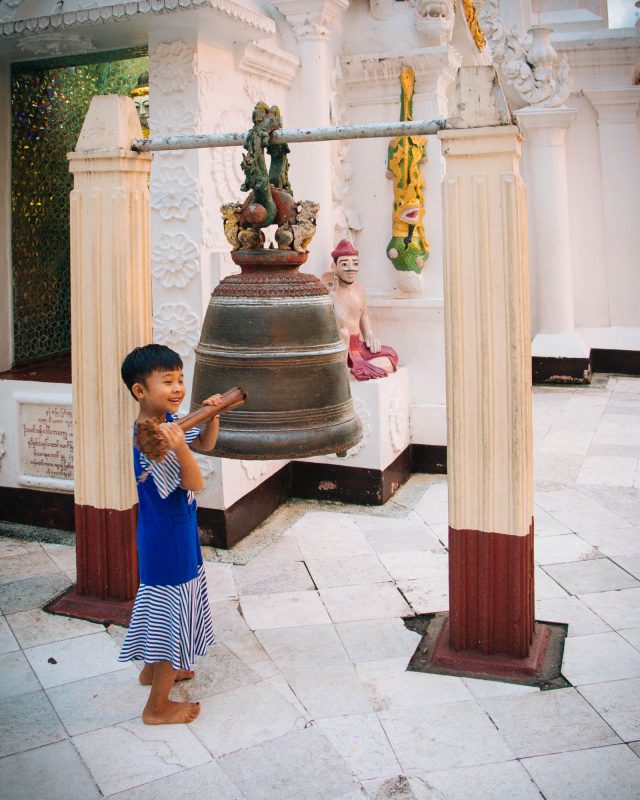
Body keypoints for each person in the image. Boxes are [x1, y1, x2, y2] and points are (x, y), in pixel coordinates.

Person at [118, 344, 221, 724]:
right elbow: (195, 482)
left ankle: (151, 672)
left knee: (167, 608)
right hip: (167, 542)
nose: (178, 387)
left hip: (173, 533)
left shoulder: (168, 421)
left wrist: (212, 416)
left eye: (180, 379)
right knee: (170, 618)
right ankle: (157, 707)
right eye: (167, 381)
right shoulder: (153, 444)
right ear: (139, 391)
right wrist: (180, 448)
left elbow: (206, 444)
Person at [322, 239, 399, 380]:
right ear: (334, 266)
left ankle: (359, 370)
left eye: (355, 264)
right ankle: (350, 369)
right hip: (343, 347)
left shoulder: (359, 289)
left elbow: (363, 315)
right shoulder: (332, 292)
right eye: (344, 264)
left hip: (358, 345)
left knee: (391, 355)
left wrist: (369, 334)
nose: (351, 268)